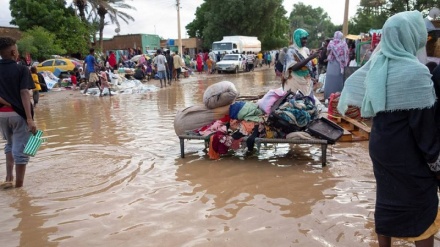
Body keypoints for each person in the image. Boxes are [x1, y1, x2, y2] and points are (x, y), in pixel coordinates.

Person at [338, 11, 440, 247]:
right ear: (411, 36)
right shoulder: (416, 72)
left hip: (381, 147)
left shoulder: (376, 66)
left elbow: (353, 92)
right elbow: (423, 130)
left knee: (387, 199)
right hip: (408, 152)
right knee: (422, 204)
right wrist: (436, 165)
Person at [0, 37, 37, 189]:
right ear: (14, 51)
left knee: (10, 144)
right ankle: (19, 188)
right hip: (19, 114)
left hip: (1, 115)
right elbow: (24, 93)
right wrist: (29, 118)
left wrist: (7, 103)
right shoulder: (21, 69)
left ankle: (9, 178)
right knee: (21, 151)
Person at [282, 29, 320, 96]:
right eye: (303, 39)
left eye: (306, 39)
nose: (305, 41)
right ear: (297, 38)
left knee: (307, 103)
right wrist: (310, 58)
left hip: (305, 82)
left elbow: (306, 67)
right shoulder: (291, 51)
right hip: (294, 83)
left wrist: (311, 77)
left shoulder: (305, 50)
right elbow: (294, 67)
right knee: (295, 103)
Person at [324, 31, 349, 100]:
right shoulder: (344, 44)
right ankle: (338, 97)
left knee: (330, 80)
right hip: (340, 65)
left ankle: (328, 96)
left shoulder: (331, 43)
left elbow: (327, 53)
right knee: (339, 81)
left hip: (331, 64)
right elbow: (346, 54)